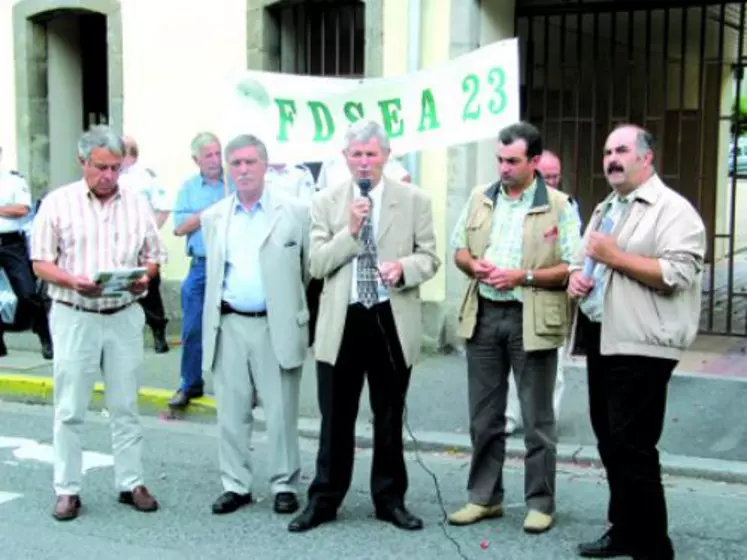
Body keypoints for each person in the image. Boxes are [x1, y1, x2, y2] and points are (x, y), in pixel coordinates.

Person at [288, 120, 440, 533]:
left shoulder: (414, 200)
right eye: (356, 155)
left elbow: (429, 257)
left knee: (388, 417)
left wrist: (403, 268)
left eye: (372, 154)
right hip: (342, 322)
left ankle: (389, 499)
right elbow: (316, 264)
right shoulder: (326, 201)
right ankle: (324, 500)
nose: (364, 162)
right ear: (345, 159)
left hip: (390, 318)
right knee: (335, 418)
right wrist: (351, 232)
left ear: (386, 156)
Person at [568, 125, 705, 560]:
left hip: (642, 343)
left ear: (646, 158)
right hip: (602, 336)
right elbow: (585, 259)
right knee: (610, 442)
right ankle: (624, 529)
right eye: (608, 150)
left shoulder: (673, 210)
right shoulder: (608, 206)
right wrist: (577, 276)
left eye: (622, 150)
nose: (611, 158)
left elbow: (677, 274)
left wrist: (615, 258)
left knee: (634, 447)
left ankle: (654, 548)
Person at [448, 122, 581, 534]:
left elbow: (571, 268)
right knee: (484, 417)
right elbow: (459, 250)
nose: (503, 168)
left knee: (537, 418)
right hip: (485, 315)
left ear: (535, 161)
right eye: (500, 160)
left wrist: (520, 277)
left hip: (531, 316)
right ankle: (484, 498)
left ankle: (540, 502)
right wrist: (475, 265)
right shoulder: (480, 197)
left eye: (513, 161)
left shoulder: (559, 205)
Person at [30, 125, 167, 521]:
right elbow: (40, 262)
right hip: (76, 315)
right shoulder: (58, 203)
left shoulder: (137, 202)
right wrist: (73, 280)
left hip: (124, 314)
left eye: (116, 168)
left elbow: (153, 254)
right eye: (101, 167)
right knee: (71, 408)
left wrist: (146, 275)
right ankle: (67, 489)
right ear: (82, 162)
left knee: (125, 405)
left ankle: (130, 481)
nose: (108, 176)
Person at [201, 134, 310, 517]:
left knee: (281, 411)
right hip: (229, 324)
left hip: (273, 325)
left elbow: (307, 271)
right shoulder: (215, 217)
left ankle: (283, 484)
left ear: (265, 166)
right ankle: (235, 484)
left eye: (250, 162)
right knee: (231, 412)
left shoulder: (294, 212)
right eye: (236, 163)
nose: (243, 170)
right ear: (228, 170)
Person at [505, 149, 577, 434]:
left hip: (551, 294)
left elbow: (574, 253)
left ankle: (548, 419)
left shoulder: (566, 206)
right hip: (517, 295)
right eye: (546, 176)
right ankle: (510, 417)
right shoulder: (515, 205)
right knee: (514, 362)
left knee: (554, 363)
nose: (552, 182)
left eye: (556, 176)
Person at [169, 132, 233, 409]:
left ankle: (239, 387)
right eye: (209, 155)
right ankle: (190, 383)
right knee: (193, 326)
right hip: (201, 265)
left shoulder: (232, 183)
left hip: (231, 264)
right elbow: (179, 227)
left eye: (218, 154)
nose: (215, 160)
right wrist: (211, 212)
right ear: (196, 159)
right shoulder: (188, 188)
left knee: (234, 327)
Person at [119, 135, 172, 353]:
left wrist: (150, 236)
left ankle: (158, 331)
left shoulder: (146, 177)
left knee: (149, 289)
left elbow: (163, 207)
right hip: (118, 242)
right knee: (120, 286)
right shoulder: (112, 176)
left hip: (142, 243)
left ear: (129, 154)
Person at [0, 146, 53, 359]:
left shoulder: (13, 181)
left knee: (28, 293)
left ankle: (44, 336)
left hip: (10, 242)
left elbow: (22, 209)